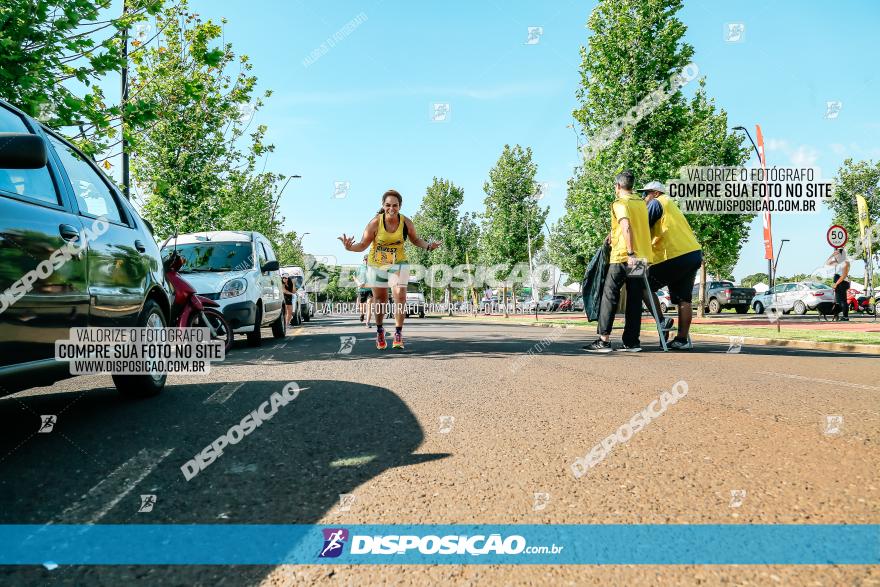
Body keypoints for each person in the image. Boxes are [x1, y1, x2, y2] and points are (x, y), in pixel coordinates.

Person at [338, 189, 440, 349]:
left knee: (400, 296)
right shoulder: (374, 223)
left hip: (399, 262)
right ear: (383, 205)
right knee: (381, 300)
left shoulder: (406, 222)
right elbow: (363, 244)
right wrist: (350, 248)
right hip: (376, 264)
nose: (391, 209)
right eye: (388, 205)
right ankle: (380, 331)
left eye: (395, 205)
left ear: (400, 206)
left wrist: (428, 246)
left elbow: (415, 239)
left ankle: (398, 334)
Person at [583, 170, 653, 353]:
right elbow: (632, 226)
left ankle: (603, 340)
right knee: (634, 298)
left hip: (624, 256)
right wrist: (612, 234)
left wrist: (630, 252)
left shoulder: (619, 203)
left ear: (618, 186)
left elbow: (626, 225)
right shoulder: (641, 203)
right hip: (641, 258)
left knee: (610, 295)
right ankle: (631, 342)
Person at [639, 180, 703, 350]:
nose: (643, 197)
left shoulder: (657, 203)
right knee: (684, 298)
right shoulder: (671, 206)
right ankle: (681, 340)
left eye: (645, 193)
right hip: (693, 254)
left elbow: (641, 228)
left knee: (640, 283)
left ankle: (662, 321)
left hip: (675, 254)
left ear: (656, 193)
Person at [828, 248, 851, 321]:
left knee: (842, 301)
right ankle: (841, 315)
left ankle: (845, 316)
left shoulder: (845, 262)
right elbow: (828, 263)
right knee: (839, 301)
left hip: (842, 282)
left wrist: (836, 283)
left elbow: (844, 275)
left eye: (837, 253)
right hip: (839, 282)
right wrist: (832, 255)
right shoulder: (838, 262)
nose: (836, 255)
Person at [355, 255, 373, 327]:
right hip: (362, 289)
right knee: (362, 306)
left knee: (369, 304)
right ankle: (362, 314)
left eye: (368, 260)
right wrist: (358, 283)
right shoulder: (359, 268)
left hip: (370, 289)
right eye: (366, 260)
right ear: (363, 260)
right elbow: (354, 276)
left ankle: (368, 322)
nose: (367, 261)